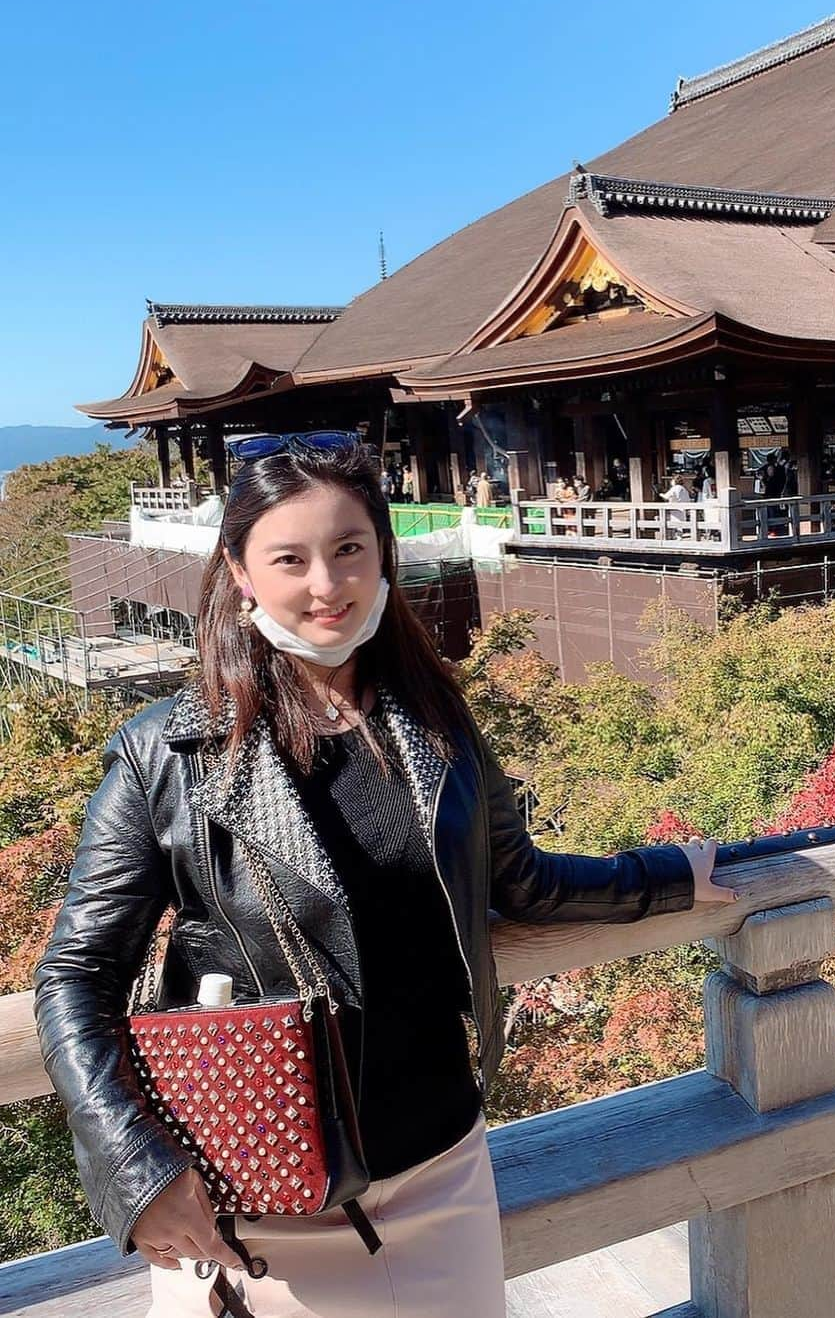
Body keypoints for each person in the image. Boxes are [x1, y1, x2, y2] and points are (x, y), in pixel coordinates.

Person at [33, 434, 742, 1317]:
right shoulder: (166, 755)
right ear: (240, 571)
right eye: (290, 558)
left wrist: (672, 875)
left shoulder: (435, 721)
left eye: (348, 549)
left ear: (383, 554)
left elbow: (518, 883)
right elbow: (75, 973)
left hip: (439, 1167)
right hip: (256, 1195)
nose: (327, 584)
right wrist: (135, 1170)